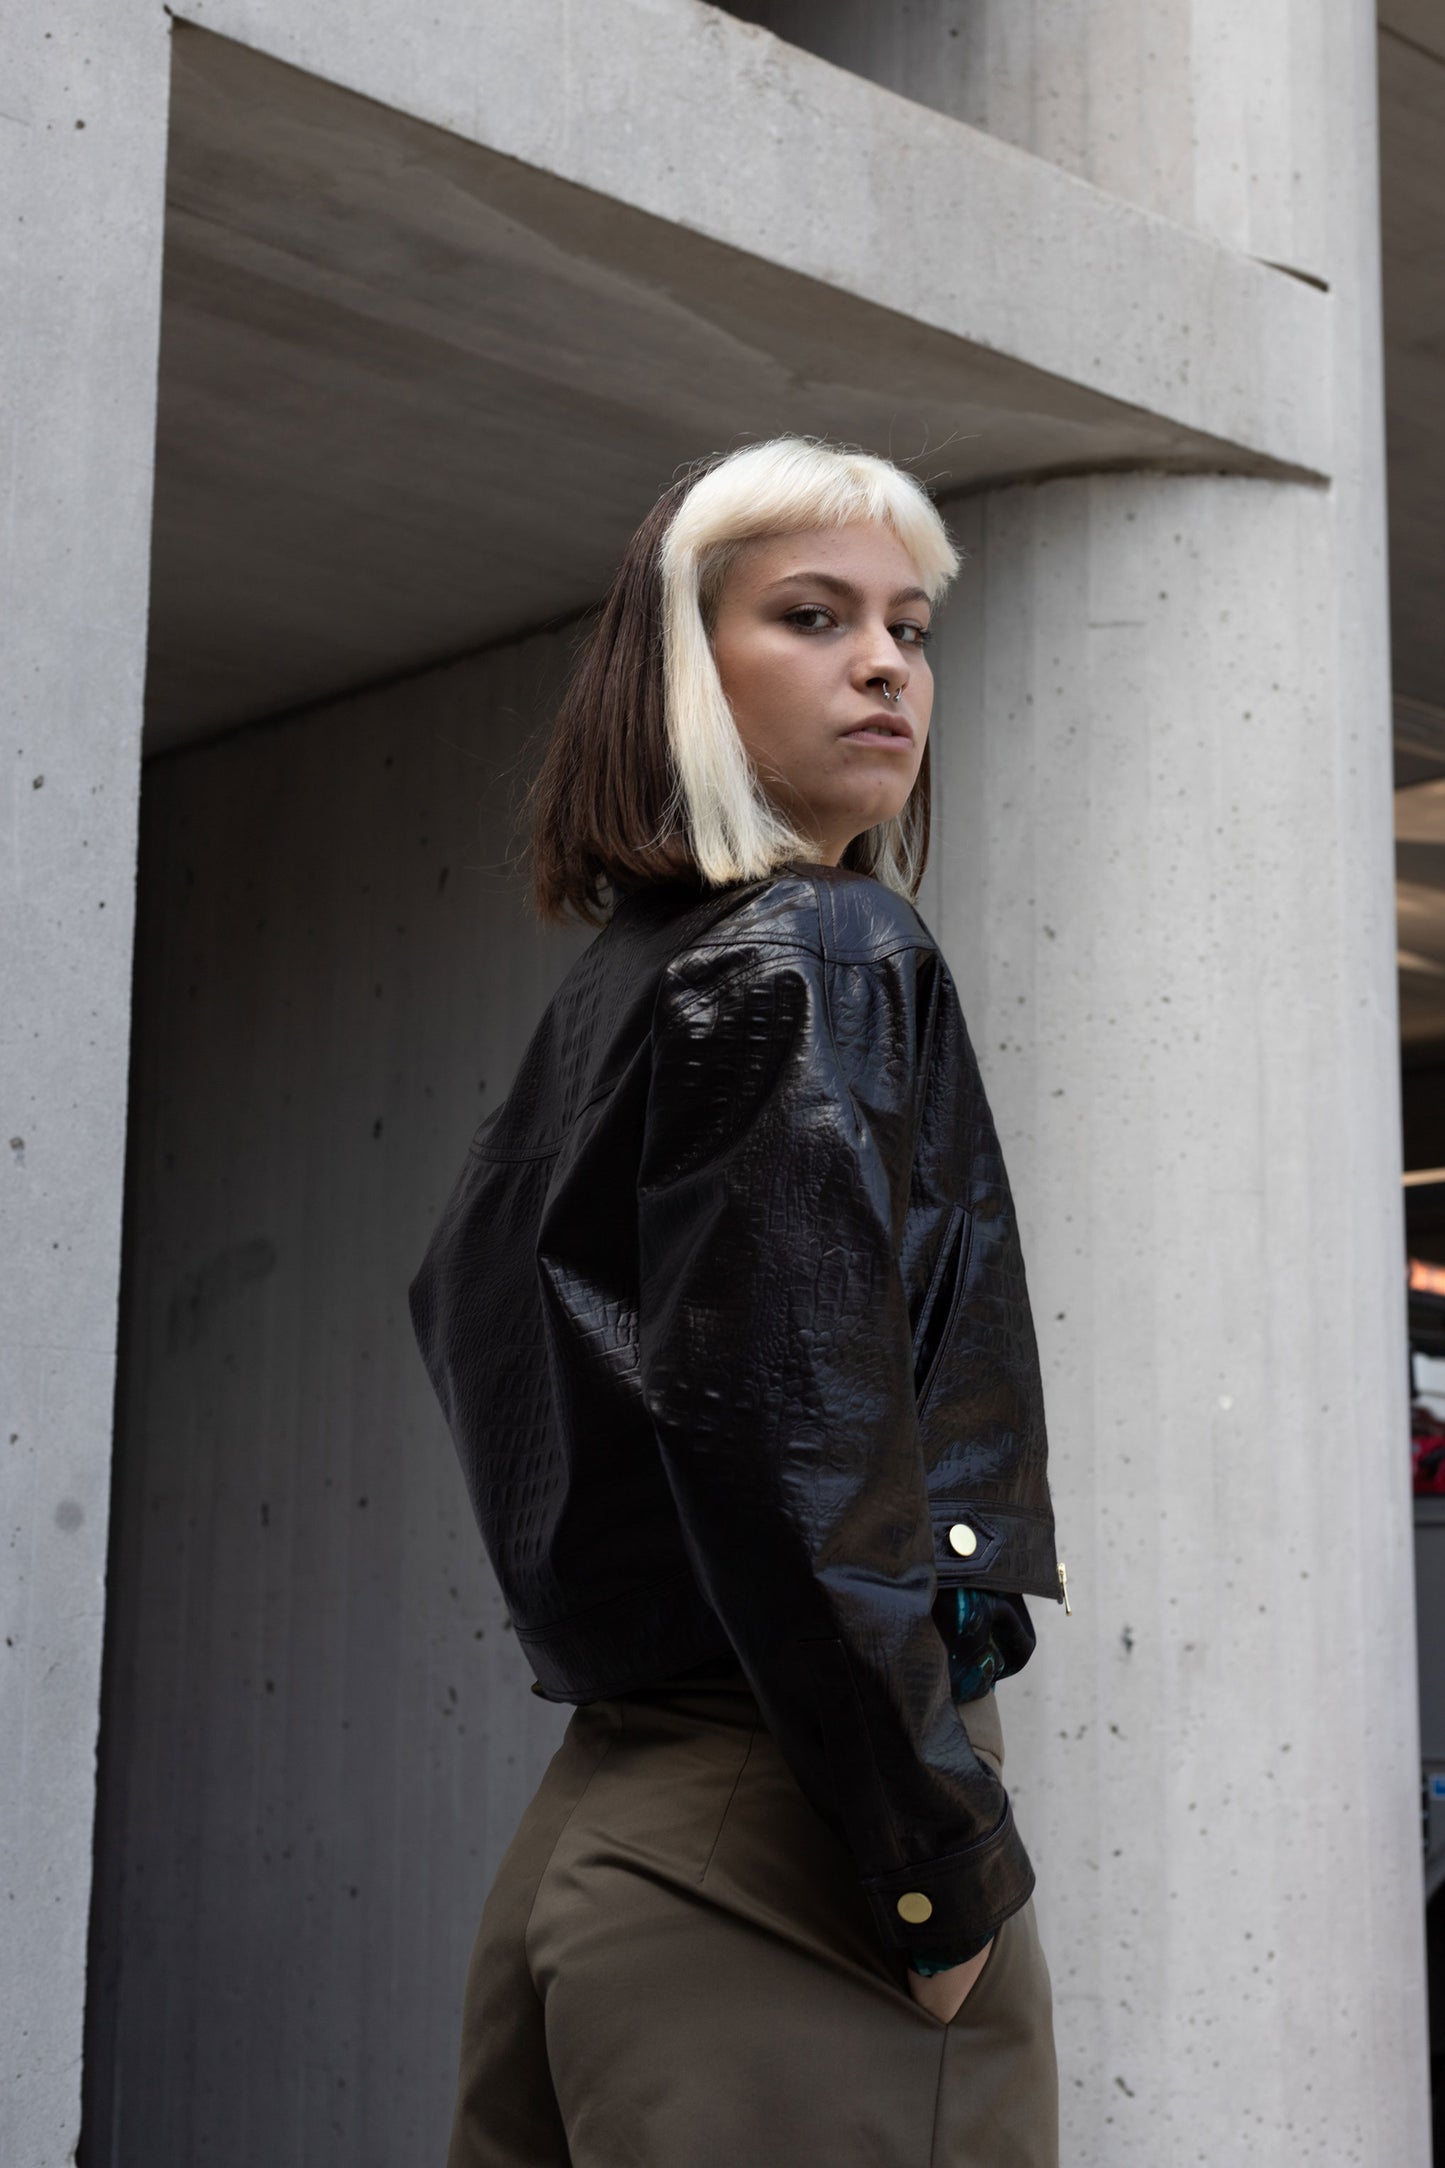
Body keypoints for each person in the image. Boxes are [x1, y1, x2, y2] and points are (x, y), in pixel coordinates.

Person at [408, 436, 1067, 2166]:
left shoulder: (624, 983)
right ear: (680, 668)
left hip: (604, 1832)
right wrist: (932, 1878)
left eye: (909, 628)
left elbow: (479, 1333)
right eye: (808, 614)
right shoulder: (818, 949)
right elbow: (797, 1446)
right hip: (792, 1832)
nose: (882, 664)